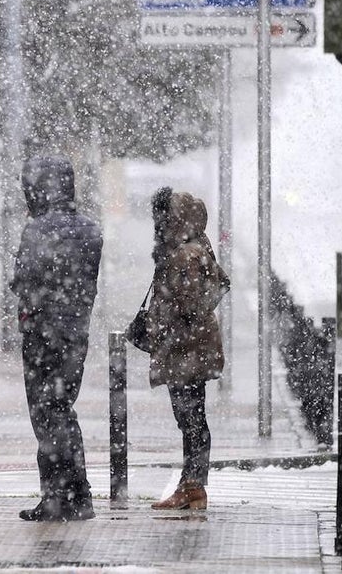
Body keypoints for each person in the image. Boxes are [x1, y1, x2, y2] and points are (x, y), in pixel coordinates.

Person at [9, 156, 103, 522]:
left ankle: (55, 495)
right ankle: (79, 494)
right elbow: (84, 284)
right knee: (63, 409)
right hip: (76, 333)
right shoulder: (90, 229)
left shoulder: (36, 229)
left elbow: (23, 279)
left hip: (41, 333)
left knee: (45, 415)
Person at [145, 187, 228, 511]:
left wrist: (165, 322)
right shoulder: (193, 248)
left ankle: (193, 486)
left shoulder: (186, 254)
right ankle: (191, 485)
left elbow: (191, 304)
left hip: (186, 350)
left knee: (190, 418)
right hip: (189, 348)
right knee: (191, 417)